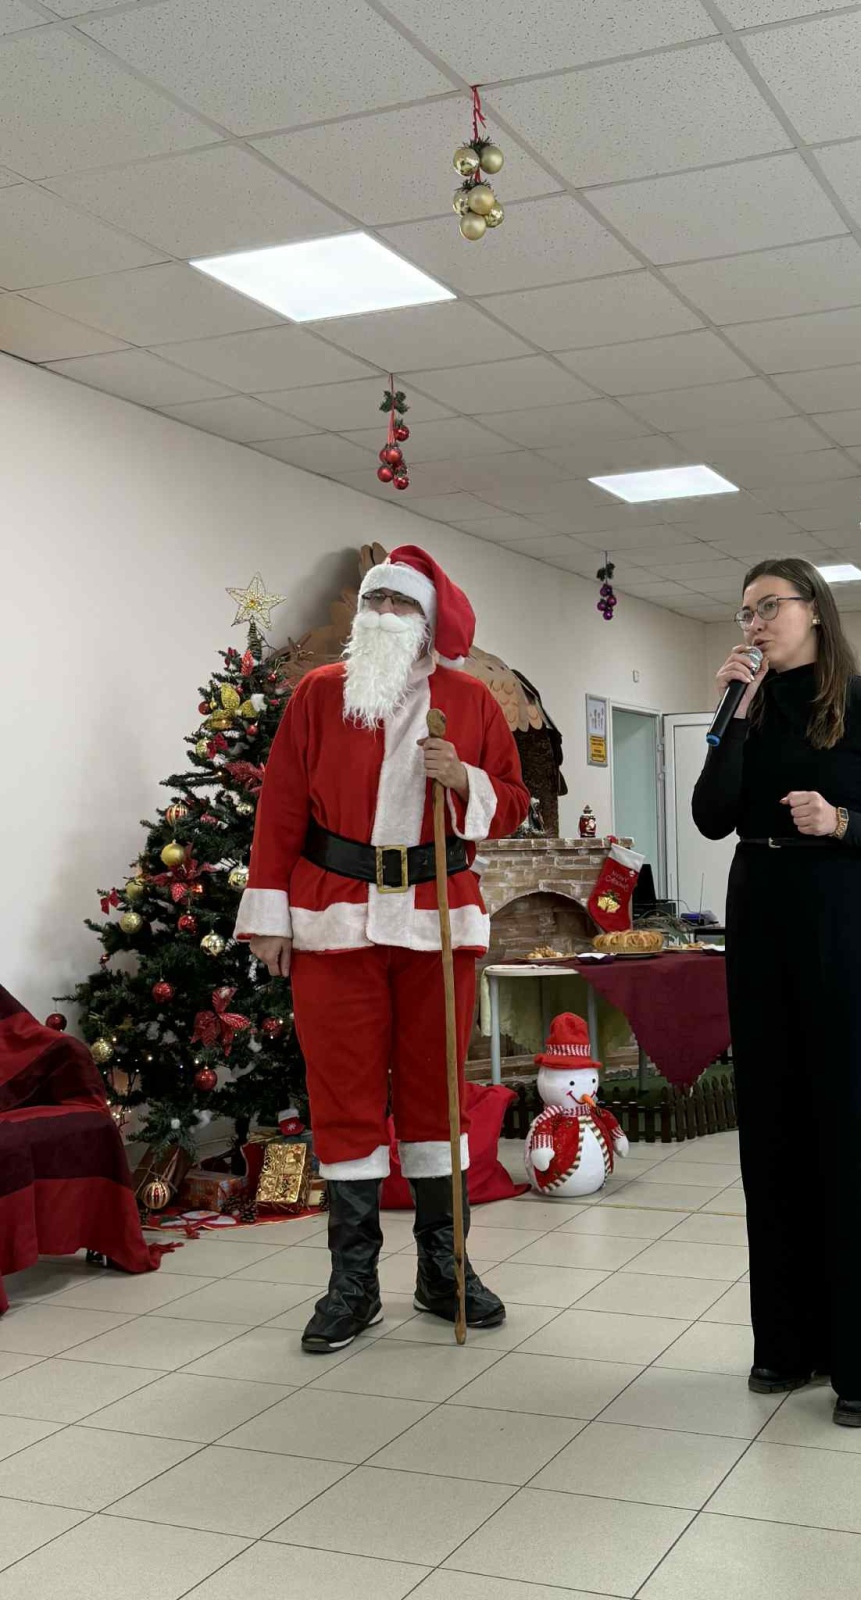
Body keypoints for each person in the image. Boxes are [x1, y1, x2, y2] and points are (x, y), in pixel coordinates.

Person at [235, 545, 529, 1353]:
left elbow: (511, 801)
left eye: (400, 605)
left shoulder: (471, 700)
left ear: (427, 621)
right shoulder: (318, 695)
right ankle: (353, 1282)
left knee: (437, 1093)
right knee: (344, 1095)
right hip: (336, 917)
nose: (385, 616)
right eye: (375, 603)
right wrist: (269, 917)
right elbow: (281, 807)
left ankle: (443, 1267)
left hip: (437, 920)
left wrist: (462, 778)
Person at [692, 557, 861, 1428]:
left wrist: (842, 822)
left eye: (770, 606)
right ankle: (788, 1344)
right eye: (746, 611)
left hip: (844, 927)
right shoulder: (747, 710)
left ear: (816, 612)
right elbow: (711, 818)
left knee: (856, 1134)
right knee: (773, 1134)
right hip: (761, 924)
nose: (755, 622)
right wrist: (730, 719)